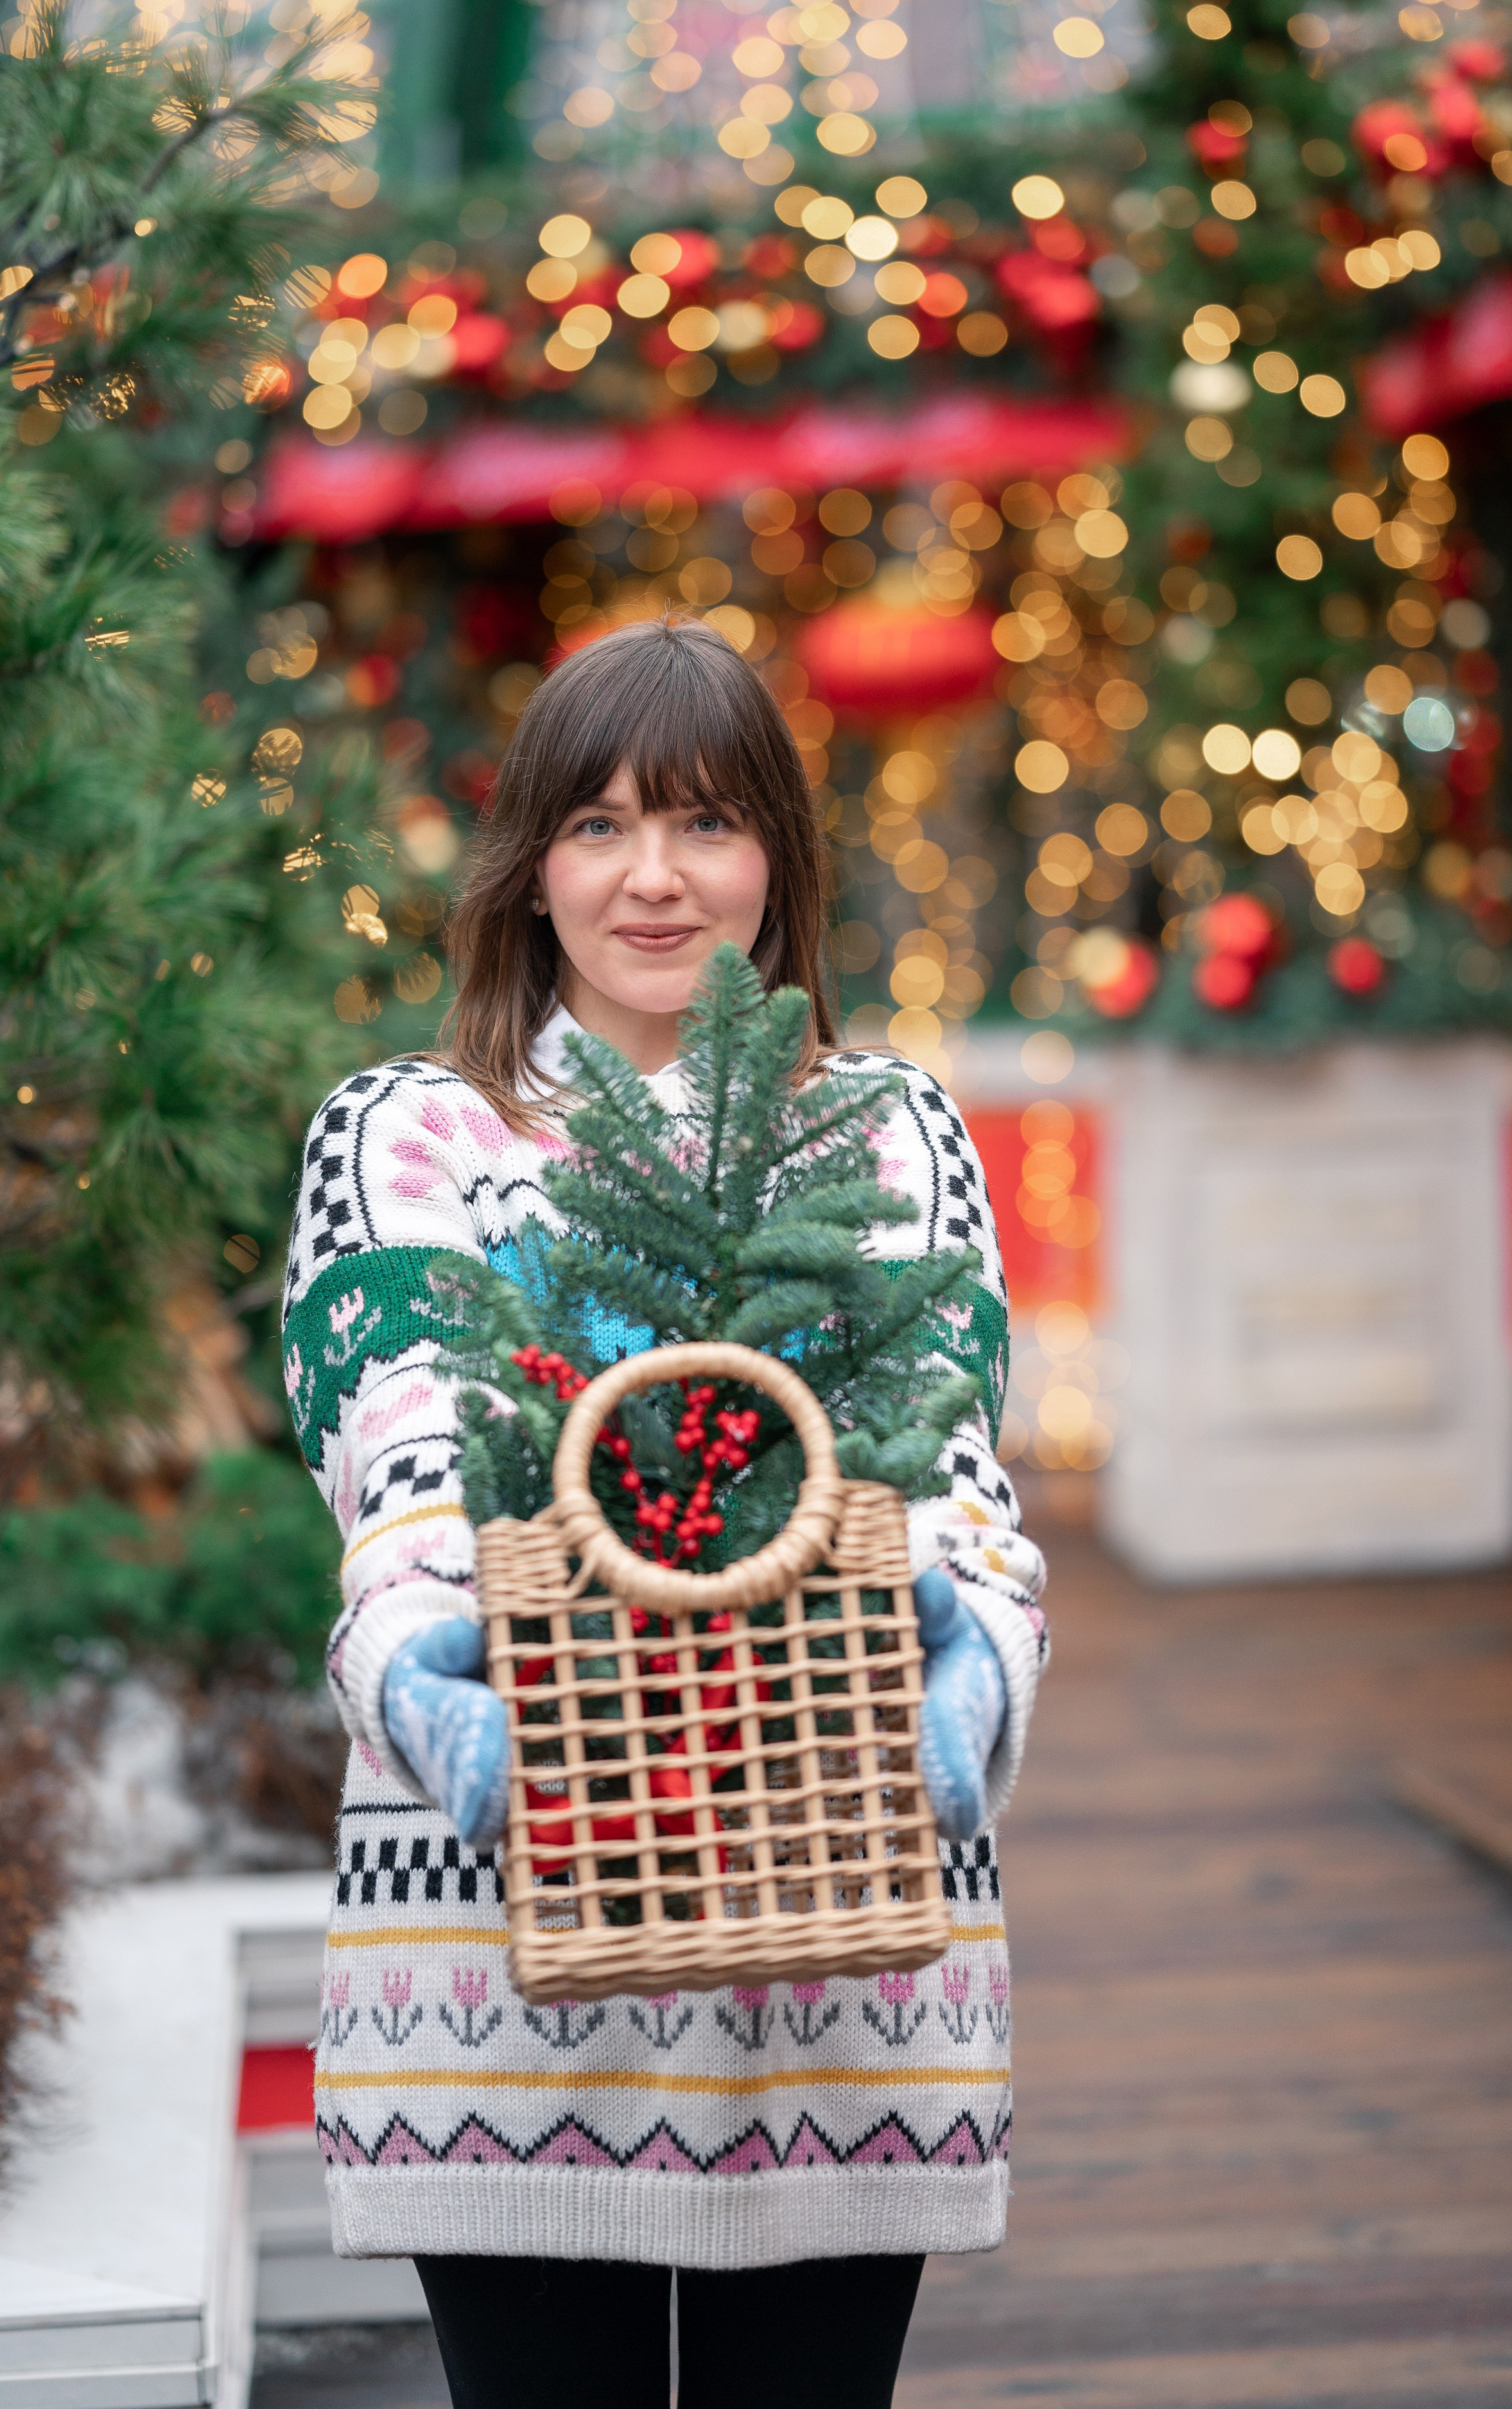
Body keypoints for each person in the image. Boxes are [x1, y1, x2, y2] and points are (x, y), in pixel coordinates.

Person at [281, 614, 1047, 2409]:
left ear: (778, 861)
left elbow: (949, 1462)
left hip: (842, 1946)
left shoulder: (891, 1128)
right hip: (501, 1962)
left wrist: (976, 1673)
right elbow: (400, 1440)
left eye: (708, 820)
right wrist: (431, 1679)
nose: (655, 877)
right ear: (531, 864)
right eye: (600, 824)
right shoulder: (409, 1134)